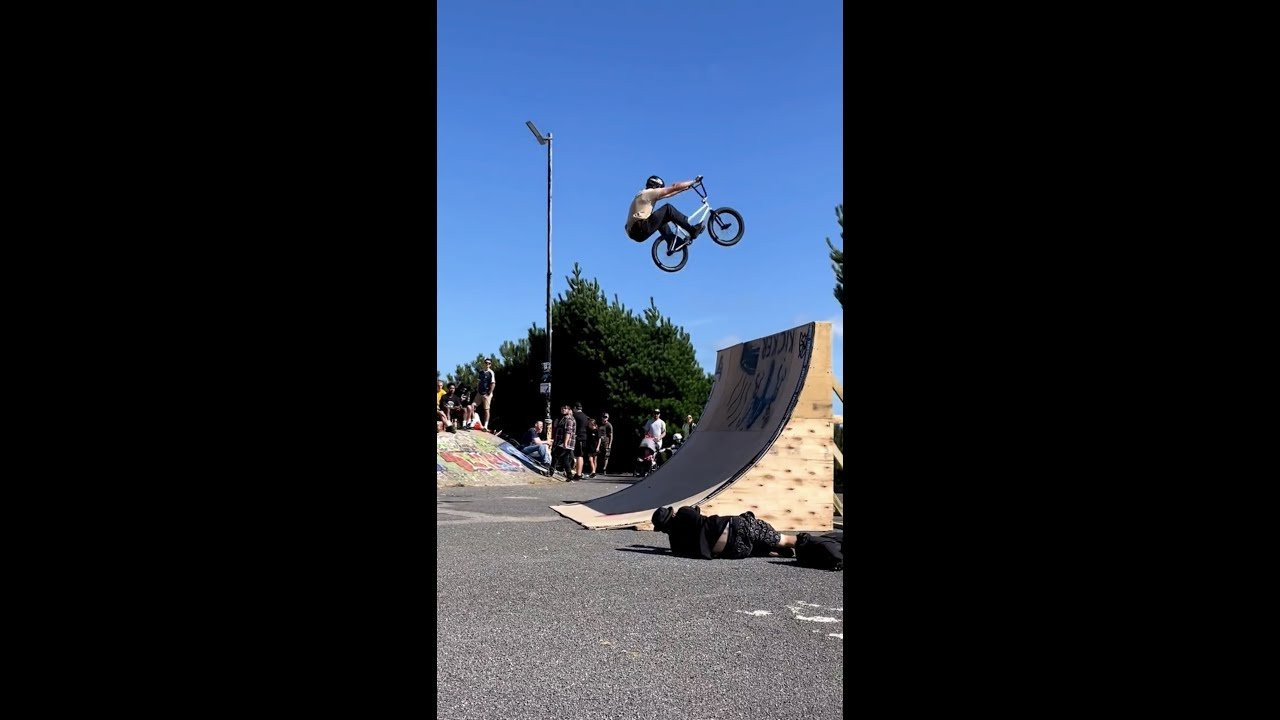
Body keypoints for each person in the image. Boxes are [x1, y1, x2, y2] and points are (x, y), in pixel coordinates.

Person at [650, 505, 798, 560]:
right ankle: (805, 544)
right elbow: (696, 511)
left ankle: (769, 551)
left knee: (753, 547)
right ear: (672, 514)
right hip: (734, 527)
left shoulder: (675, 545)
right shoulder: (684, 513)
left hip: (734, 551)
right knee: (783, 539)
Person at [624, 175, 705, 251]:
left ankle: (672, 242)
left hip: (635, 232)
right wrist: (694, 181)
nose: (660, 189)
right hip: (639, 228)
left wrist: (685, 188)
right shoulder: (649, 193)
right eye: (659, 188)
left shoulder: (642, 194)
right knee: (668, 209)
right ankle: (692, 230)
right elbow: (673, 187)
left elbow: (668, 194)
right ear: (654, 185)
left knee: (662, 218)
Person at [552, 403, 577, 480]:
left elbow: (568, 432)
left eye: (565, 408)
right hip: (563, 442)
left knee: (555, 455)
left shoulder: (569, 419)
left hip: (564, 442)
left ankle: (550, 471)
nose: (563, 409)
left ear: (569, 410)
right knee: (565, 459)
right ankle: (569, 476)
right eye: (562, 408)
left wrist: (565, 443)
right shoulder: (563, 418)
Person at [475, 358, 496, 430]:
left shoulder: (491, 372)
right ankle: (472, 422)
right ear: (484, 363)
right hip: (479, 393)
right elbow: (478, 382)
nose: (487, 364)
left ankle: (485, 426)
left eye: (489, 363)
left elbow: (493, 383)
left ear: (490, 365)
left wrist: (489, 392)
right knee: (472, 406)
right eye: (486, 363)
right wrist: (477, 389)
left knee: (486, 409)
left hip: (486, 393)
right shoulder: (481, 372)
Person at [572, 402, 591, 480]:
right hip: (585, 437)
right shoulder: (586, 416)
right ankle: (579, 472)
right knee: (581, 456)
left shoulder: (575, 416)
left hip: (578, 437)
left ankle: (578, 474)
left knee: (578, 456)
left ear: (575, 408)